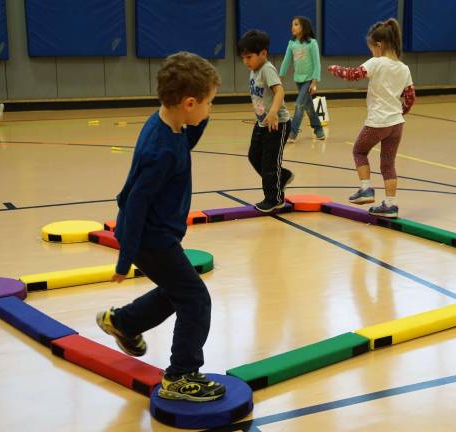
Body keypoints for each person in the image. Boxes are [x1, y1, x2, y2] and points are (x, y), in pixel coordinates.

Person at [96, 52, 225, 402]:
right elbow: (135, 202)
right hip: (150, 239)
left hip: (155, 236)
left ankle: (124, 322)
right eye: (209, 103)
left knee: (176, 290)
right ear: (189, 102)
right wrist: (125, 261)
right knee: (195, 298)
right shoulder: (162, 150)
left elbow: (190, 137)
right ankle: (181, 375)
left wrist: (202, 114)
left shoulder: (168, 125)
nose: (209, 111)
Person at [327, 18, 415, 218]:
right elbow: (410, 97)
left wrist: (335, 69)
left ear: (379, 45)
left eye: (371, 48)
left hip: (378, 122)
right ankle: (390, 205)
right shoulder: (404, 68)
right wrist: (401, 112)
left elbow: (353, 74)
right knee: (387, 163)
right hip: (396, 124)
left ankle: (366, 188)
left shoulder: (376, 63)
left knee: (359, 151)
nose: (371, 53)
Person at [238, 29, 294, 212]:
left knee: (270, 162)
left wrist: (274, 112)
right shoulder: (254, 70)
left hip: (277, 123)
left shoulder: (267, 69)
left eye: (249, 57)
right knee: (254, 156)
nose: (245, 61)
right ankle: (282, 177)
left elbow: (280, 91)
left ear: (263, 53)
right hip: (262, 123)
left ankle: (274, 198)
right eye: (243, 58)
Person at [279, 16, 325, 142]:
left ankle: (292, 133)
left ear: (303, 27)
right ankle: (318, 129)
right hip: (298, 80)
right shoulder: (292, 43)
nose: (292, 27)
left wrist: (314, 82)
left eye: (296, 24)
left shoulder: (312, 43)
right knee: (308, 107)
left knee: (299, 104)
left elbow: (317, 64)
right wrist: (280, 78)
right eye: (292, 24)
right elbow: (286, 61)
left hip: (309, 80)